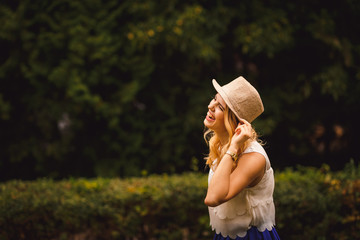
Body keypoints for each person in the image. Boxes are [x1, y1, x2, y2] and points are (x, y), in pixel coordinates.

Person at [203, 76, 280, 240]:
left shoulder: (253, 157)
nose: (210, 106)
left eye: (220, 107)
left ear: (234, 119)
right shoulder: (221, 147)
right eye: (214, 100)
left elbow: (213, 198)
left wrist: (233, 147)